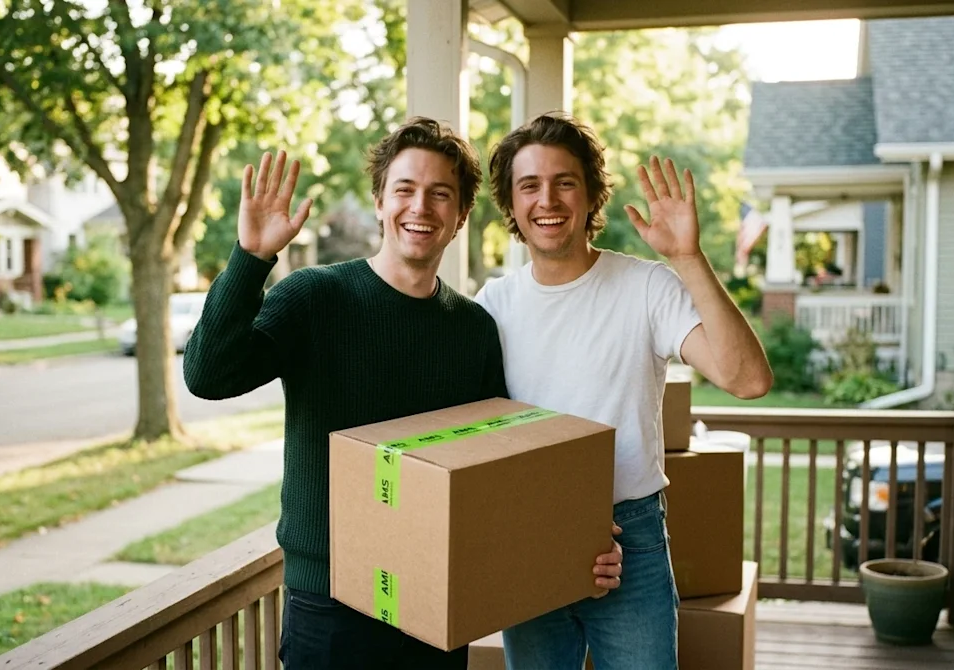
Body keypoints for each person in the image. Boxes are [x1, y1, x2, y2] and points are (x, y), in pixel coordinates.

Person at [182, 116, 623, 669]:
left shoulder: (472, 329)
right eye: (405, 190)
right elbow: (208, 376)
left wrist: (575, 540)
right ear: (380, 203)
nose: (421, 207)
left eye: (440, 194)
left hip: (435, 601)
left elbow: (499, 472)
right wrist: (250, 258)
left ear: (461, 216)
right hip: (330, 602)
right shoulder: (315, 297)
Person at [476, 113, 773, 670]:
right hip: (532, 534)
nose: (548, 199)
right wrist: (541, 533)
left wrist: (687, 258)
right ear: (511, 204)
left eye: (565, 181)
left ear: (590, 195)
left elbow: (748, 380)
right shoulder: (491, 306)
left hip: (630, 537)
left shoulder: (647, 287)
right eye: (529, 185)